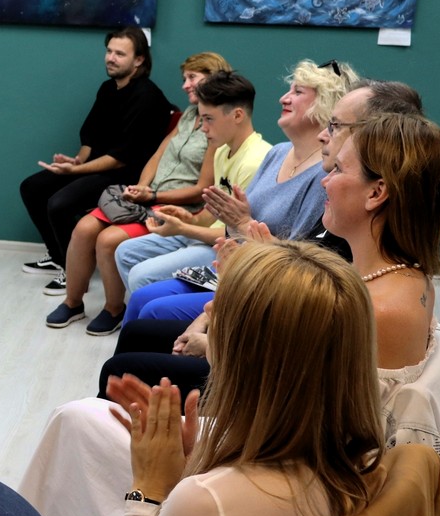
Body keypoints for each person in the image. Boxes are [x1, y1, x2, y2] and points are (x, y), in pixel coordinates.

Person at [0, 241, 384, 516]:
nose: (208, 306)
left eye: (224, 307)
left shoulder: (209, 505)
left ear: (251, 354)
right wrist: (193, 467)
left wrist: (148, 491)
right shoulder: (361, 461)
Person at [114, 58, 357, 322]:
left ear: (326, 104)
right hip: (235, 261)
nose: (283, 98)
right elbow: (234, 222)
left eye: (297, 92)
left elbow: (299, 259)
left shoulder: (324, 173)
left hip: (265, 281)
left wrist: (232, 226)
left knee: (151, 305)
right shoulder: (277, 153)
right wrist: (203, 223)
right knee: (141, 295)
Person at [48, 68, 266, 334]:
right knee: (123, 252)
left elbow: (240, 235)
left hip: (224, 248)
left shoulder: (255, 161)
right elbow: (214, 213)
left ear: (237, 115)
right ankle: (142, 322)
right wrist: (188, 218)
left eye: (209, 119)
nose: (204, 127)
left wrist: (183, 226)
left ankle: (150, 329)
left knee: (140, 273)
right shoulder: (223, 151)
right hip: (200, 232)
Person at [20, 27, 172, 295]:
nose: (110, 58)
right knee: (32, 187)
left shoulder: (147, 97)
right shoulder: (108, 89)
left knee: (59, 204)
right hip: (99, 167)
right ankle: (58, 256)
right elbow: (90, 135)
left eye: (120, 54)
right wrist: (78, 160)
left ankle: (74, 271)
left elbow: (120, 158)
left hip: (127, 176)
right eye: (109, 51)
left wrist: (76, 170)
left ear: (139, 60)